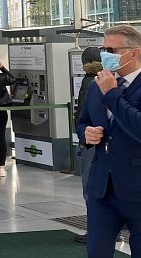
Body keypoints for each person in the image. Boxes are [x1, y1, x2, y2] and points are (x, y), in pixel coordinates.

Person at [76, 25, 141, 257]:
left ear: (134, 52)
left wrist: (112, 94)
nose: (105, 55)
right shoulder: (96, 85)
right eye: (103, 49)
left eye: (111, 49)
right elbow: (82, 121)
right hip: (102, 189)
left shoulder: (108, 87)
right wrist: (86, 133)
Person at [74, 46, 102, 244]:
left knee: (90, 187)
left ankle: (96, 229)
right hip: (106, 142)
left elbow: (84, 112)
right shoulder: (109, 78)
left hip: (91, 143)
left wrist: (83, 139)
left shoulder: (89, 82)